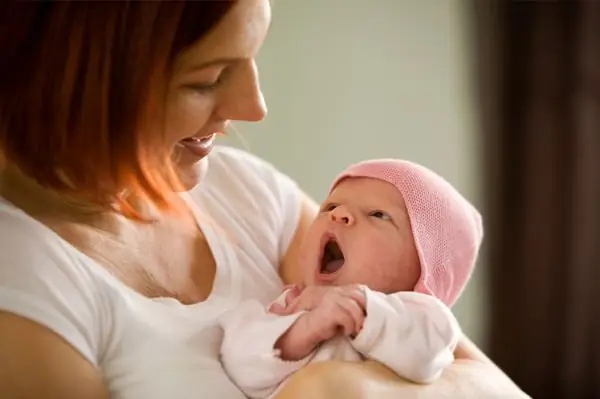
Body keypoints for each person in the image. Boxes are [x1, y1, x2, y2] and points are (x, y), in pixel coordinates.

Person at [0, 1, 529, 398]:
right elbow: (253, 353)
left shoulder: (243, 192)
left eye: (253, 59)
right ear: (70, 81)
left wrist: (338, 388)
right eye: (207, 80)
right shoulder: (25, 280)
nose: (254, 108)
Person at [219, 159, 482, 398]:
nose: (338, 213)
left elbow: (426, 356)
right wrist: (299, 333)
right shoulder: (289, 307)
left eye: (377, 214)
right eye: (331, 206)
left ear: (424, 267)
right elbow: (240, 365)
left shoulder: (424, 318)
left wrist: (362, 309)